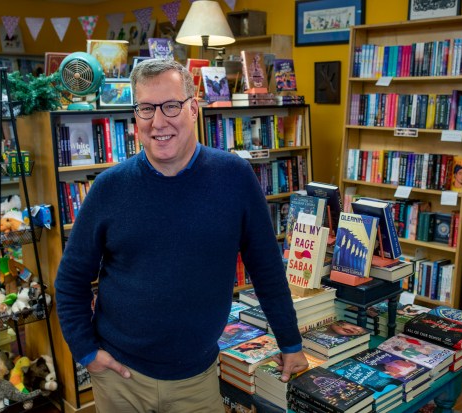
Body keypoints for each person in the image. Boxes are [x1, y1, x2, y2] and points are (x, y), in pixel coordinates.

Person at [54, 59, 308, 412]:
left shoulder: (235, 178)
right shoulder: (108, 188)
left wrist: (290, 342)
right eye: (146, 108)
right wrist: (85, 351)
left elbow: (266, 268)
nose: (159, 122)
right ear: (136, 116)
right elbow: (70, 280)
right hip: (119, 377)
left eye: (171, 106)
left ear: (193, 108)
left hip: (197, 378)